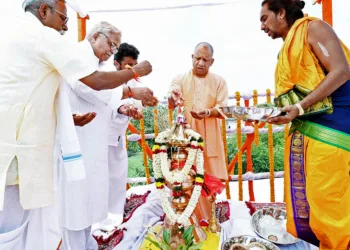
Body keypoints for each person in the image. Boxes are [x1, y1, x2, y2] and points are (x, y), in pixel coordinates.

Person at [0, 0, 154, 249]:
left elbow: (33, 91)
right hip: (23, 146)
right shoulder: (45, 37)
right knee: (16, 225)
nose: (66, 25)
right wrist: (133, 74)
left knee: (33, 221)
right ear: (43, 11)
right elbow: (95, 84)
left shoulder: (15, 32)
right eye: (63, 17)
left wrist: (66, 118)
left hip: (27, 139)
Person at [260, 0, 350, 249]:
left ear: (281, 12)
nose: (262, 26)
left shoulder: (314, 28)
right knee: (314, 207)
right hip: (307, 133)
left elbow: (341, 71)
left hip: (332, 132)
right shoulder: (287, 47)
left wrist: (299, 108)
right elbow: (298, 94)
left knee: (329, 206)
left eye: (264, 18)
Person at [168, 42, 228, 221]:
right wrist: (174, 96)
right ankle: (184, 218)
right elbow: (171, 99)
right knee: (183, 175)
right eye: (198, 58)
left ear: (212, 62)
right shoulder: (179, 79)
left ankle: (207, 219)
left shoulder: (219, 81)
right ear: (192, 58)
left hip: (209, 137)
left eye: (205, 59)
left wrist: (208, 112)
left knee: (208, 177)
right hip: (184, 138)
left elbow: (223, 108)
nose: (201, 63)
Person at [107, 43, 144, 222]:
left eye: (134, 66)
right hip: (102, 139)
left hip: (119, 139)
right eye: (128, 66)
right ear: (116, 63)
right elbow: (110, 102)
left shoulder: (131, 81)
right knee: (102, 183)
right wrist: (123, 108)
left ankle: (115, 221)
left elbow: (137, 102)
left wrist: (136, 108)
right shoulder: (106, 79)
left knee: (118, 180)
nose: (132, 70)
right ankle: (99, 226)